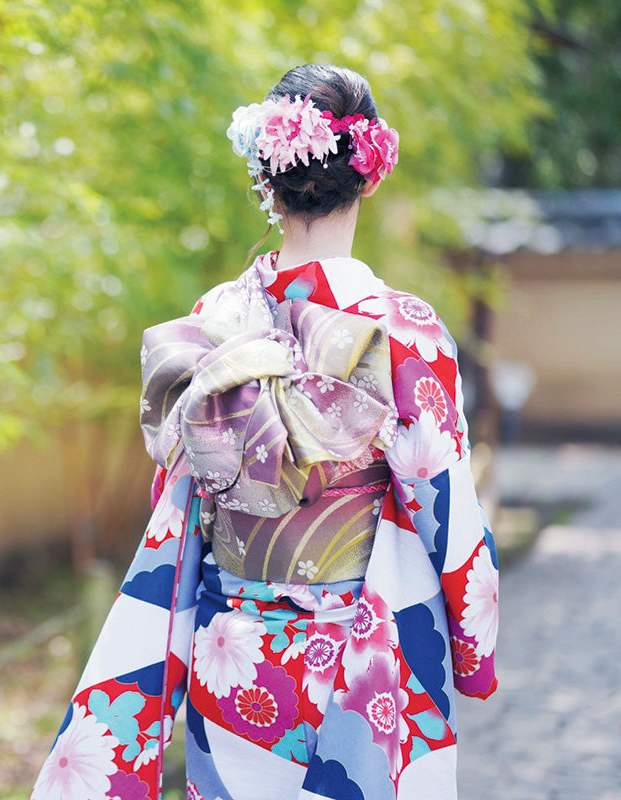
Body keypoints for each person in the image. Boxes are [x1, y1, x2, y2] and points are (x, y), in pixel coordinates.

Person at [31, 64, 498, 800]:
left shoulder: (216, 315)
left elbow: (181, 488)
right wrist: (472, 650)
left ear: (266, 177)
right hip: (357, 657)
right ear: (370, 173)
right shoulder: (404, 328)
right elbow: (445, 507)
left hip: (232, 652)